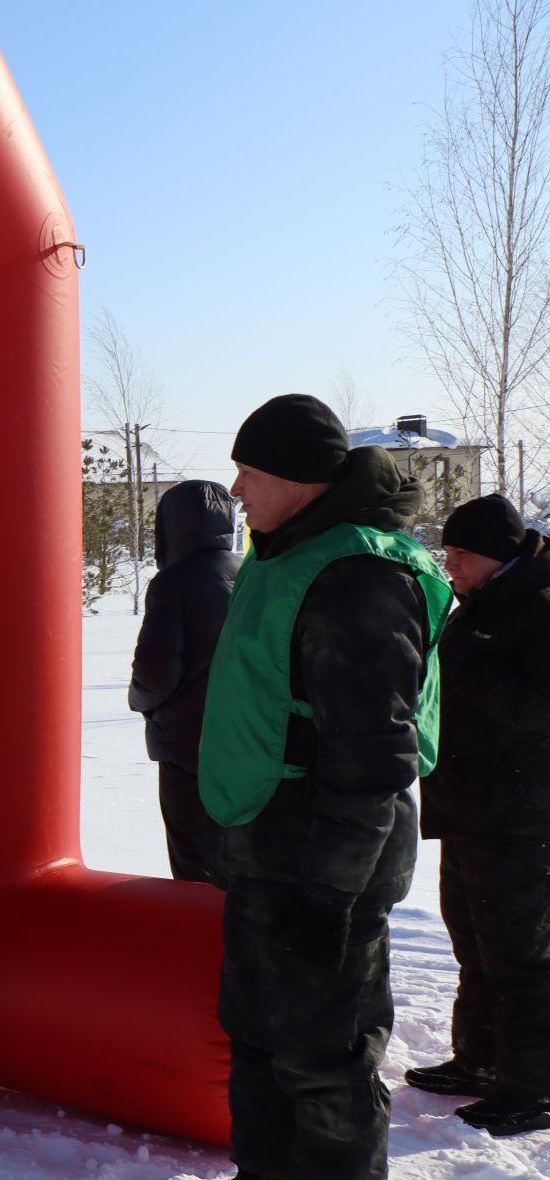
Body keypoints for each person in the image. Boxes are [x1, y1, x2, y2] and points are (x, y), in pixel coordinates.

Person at [200, 394, 451, 1179]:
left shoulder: (359, 578)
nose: (235, 490)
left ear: (298, 479)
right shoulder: (291, 553)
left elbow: (373, 761)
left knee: (326, 1064)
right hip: (269, 857)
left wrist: (329, 897)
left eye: (248, 472)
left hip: (321, 870)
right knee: (262, 1043)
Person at [404, 494, 550, 1136]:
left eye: (461, 555)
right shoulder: (480, 604)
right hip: (469, 809)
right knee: (472, 940)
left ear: (495, 555)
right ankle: (480, 1059)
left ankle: (533, 1086)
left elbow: (533, 708)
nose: (451, 565)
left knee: (521, 954)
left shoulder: (538, 609)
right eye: (449, 552)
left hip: (523, 816)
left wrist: (461, 662)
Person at [128, 480, 240, 885]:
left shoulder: (172, 583)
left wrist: (139, 701)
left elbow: (154, 674)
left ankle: (202, 943)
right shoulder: (251, 574)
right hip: (247, 745)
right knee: (240, 860)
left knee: (194, 864)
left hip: (186, 746)